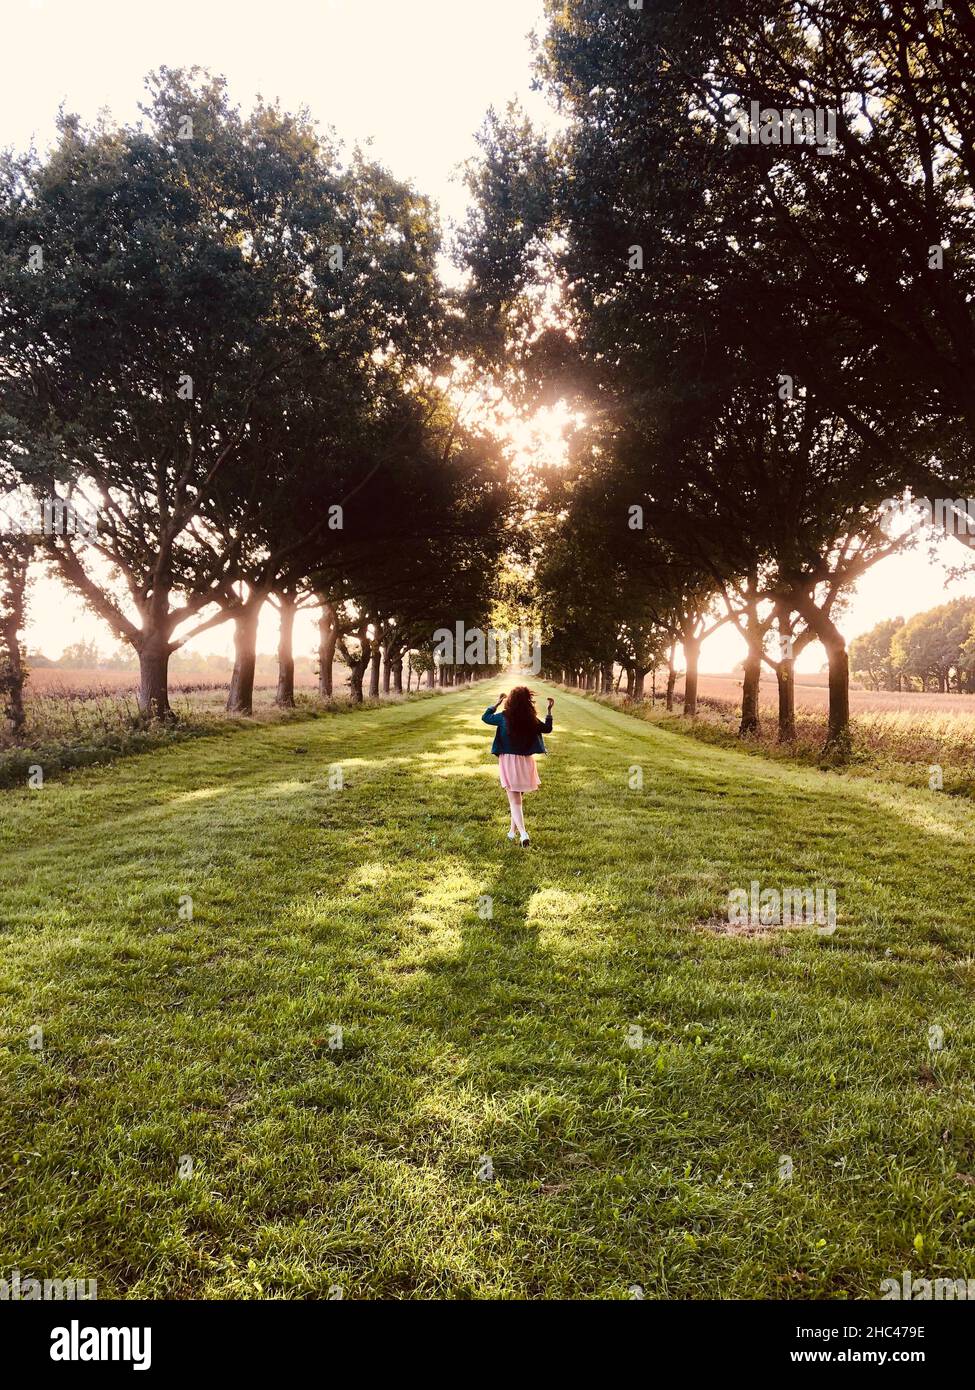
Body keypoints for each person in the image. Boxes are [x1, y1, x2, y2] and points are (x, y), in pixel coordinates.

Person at [481, 686, 554, 847]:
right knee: (517, 799)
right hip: (525, 762)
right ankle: (512, 832)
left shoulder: (504, 716)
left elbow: (485, 717)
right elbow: (547, 729)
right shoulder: (531, 718)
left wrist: (497, 703)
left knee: (515, 802)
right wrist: (549, 711)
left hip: (509, 761)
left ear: (510, 700)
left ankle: (523, 834)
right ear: (528, 700)